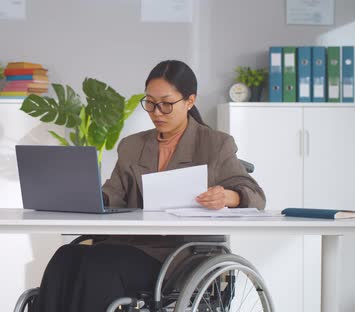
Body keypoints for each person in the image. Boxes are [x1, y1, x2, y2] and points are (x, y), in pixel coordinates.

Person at [34, 60, 266, 312]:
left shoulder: (214, 144)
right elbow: (114, 192)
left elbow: (255, 196)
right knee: (65, 258)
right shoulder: (132, 146)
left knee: (100, 262)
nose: (156, 112)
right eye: (150, 103)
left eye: (166, 104)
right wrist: (85, 195)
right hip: (128, 244)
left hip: (180, 255)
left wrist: (228, 196)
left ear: (189, 101)